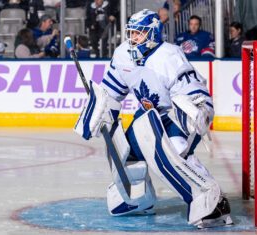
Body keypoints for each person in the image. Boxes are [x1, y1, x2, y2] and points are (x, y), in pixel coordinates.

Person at [74, 9, 232, 229]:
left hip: (176, 115)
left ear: (153, 33)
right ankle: (138, 199)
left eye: (138, 33)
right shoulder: (123, 55)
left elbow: (195, 94)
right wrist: (102, 112)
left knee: (174, 152)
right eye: (131, 33)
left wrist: (198, 114)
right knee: (124, 151)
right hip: (150, 115)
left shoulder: (169, 55)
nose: (133, 39)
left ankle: (212, 201)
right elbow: (112, 92)